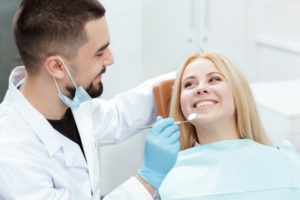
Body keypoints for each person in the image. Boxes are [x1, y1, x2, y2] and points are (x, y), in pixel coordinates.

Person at [0, 0, 180, 199]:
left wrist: (190, 77)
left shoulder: (72, 104)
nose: (110, 59)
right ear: (57, 67)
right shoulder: (11, 152)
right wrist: (147, 181)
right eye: (99, 53)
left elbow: (120, 114)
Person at [159, 52, 300, 199]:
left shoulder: (287, 162)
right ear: (180, 104)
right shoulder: (165, 174)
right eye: (189, 84)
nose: (200, 89)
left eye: (214, 79)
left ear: (238, 92)